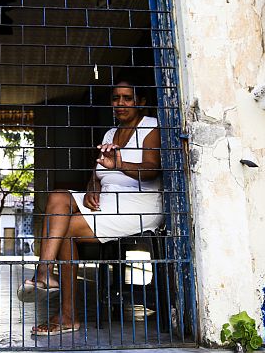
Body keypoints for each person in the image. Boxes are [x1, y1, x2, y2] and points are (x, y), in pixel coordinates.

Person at [17, 75, 164, 336]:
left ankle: (67, 314)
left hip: (138, 206)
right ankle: (44, 272)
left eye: (127, 98)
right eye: (115, 98)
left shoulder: (151, 127)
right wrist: (92, 187)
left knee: (65, 228)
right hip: (107, 202)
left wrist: (119, 164)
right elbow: (98, 173)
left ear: (140, 101)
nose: (120, 103)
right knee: (58, 196)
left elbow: (152, 170)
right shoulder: (110, 133)